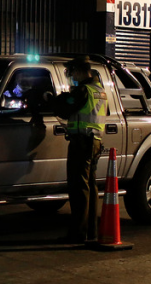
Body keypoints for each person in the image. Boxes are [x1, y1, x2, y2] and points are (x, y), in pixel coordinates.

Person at [53, 56, 108, 244]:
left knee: (78, 189)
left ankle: (78, 234)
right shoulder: (100, 90)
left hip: (82, 143)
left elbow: (65, 109)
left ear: (81, 71)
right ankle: (91, 232)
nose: (72, 77)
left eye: (73, 72)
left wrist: (52, 99)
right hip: (95, 142)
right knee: (90, 188)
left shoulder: (83, 91)